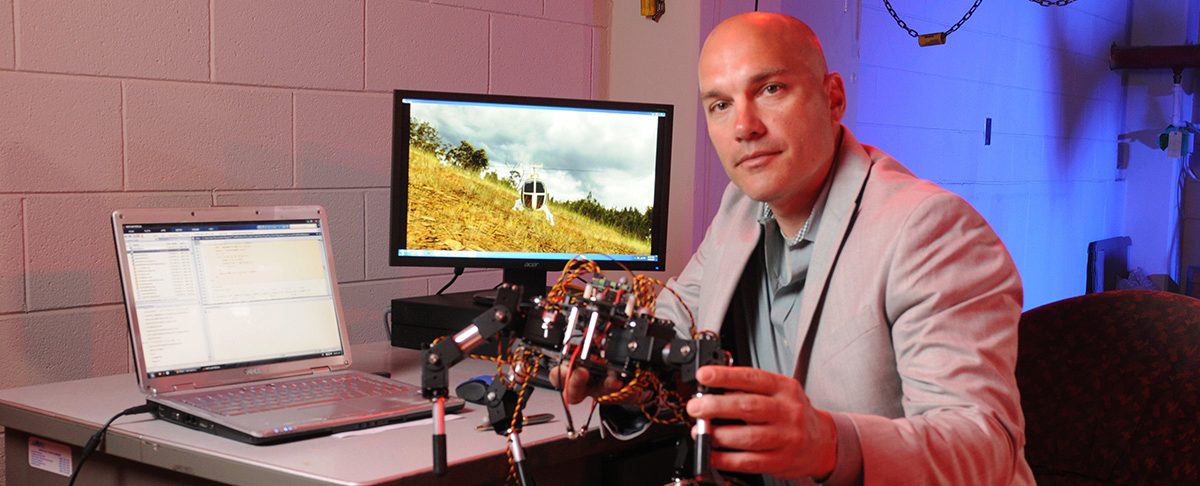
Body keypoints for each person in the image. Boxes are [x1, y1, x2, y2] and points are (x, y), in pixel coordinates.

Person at [556, 11, 1033, 485]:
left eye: (770, 89)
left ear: (833, 98)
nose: (744, 127)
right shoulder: (739, 210)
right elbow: (672, 328)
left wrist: (829, 443)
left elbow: (983, 449)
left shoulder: (931, 229)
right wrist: (624, 381)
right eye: (720, 105)